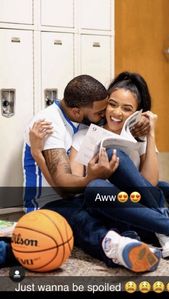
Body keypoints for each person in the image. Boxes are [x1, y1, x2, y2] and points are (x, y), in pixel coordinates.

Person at [20, 74, 161, 273]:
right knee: (83, 218)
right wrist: (37, 152)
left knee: (111, 200)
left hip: (75, 195)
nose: (105, 114)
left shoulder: (79, 118)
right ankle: (115, 248)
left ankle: (138, 237)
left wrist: (143, 125)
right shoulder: (49, 123)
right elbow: (64, 188)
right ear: (77, 112)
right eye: (100, 111)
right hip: (47, 206)